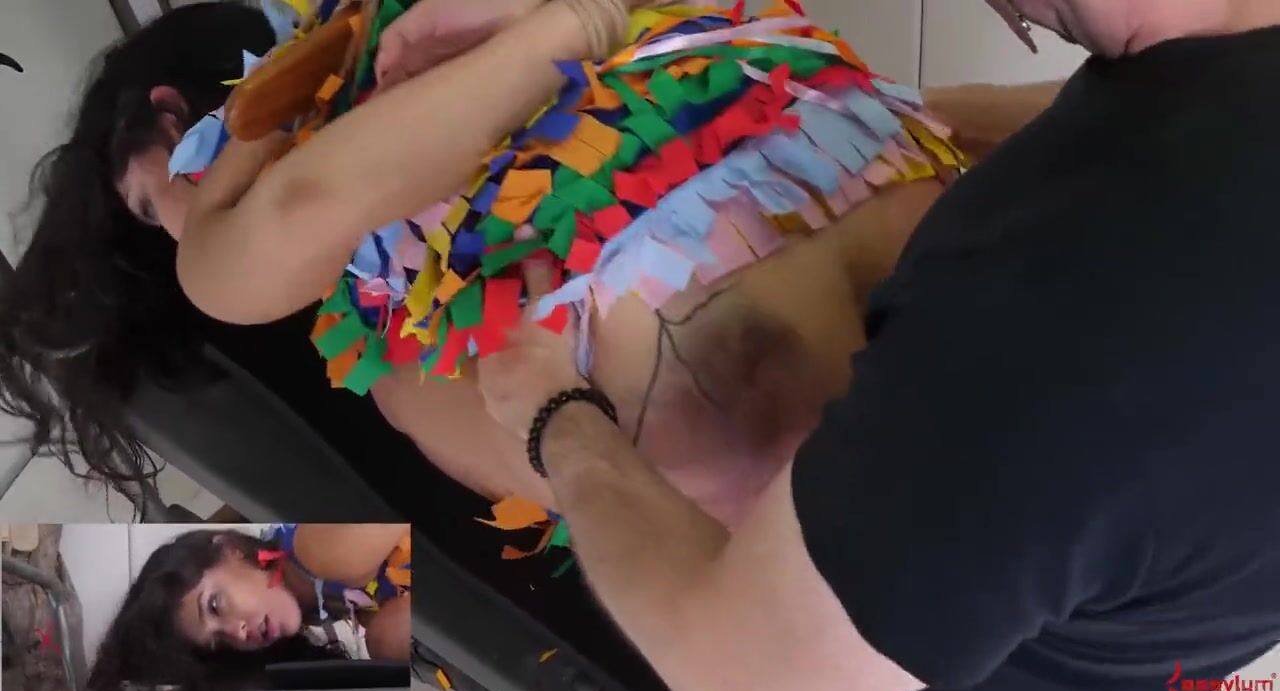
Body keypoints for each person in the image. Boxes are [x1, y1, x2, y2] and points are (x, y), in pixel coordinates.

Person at [475, 0, 1280, 691]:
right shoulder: (1216, 72)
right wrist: (894, 114)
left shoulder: (1063, 359)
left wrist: (555, 415)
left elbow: (749, 681)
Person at [0, 0, 965, 529]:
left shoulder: (252, 223)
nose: (169, 232)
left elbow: (279, 223)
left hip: (705, 369)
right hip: (865, 166)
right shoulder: (425, 53)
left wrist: (243, 153)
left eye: (149, 204)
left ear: (174, 115)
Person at [87, 524, 410, 691]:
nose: (237, 633)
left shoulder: (321, 553)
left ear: (231, 550)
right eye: (218, 641)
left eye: (215, 606)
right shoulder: (324, 603)